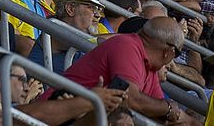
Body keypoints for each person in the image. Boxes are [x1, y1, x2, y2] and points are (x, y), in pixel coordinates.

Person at [57, 15, 188, 123]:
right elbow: (131, 98)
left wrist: (177, 115)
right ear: (169, 51)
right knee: (122, 120)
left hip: (82, 117)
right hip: (61, 115)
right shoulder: (127, 45)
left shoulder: (150, 67)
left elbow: (159, 113)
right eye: (177, 54)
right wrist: (168, 108)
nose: (172, 61)